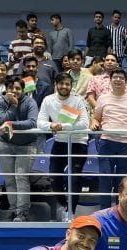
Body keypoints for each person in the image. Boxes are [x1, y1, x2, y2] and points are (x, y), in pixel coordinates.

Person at [37, 72, 90, 220]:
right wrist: (51, 125)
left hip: (78, 142)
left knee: (74, 178)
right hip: (60, 141)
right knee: (54, 177)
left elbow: (84, 124)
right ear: (56, 85)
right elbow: (40, 122)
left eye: (67, 84)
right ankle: (64, 205)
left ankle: (70, 211)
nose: (64, 86)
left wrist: (63, 126)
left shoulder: (78, 101)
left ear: (71, 86)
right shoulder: (48, 100)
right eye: (61, 83)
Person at [90, 68, 127, 210]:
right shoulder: (102, 98)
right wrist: (94, 123)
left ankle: (121, 211)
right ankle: (104, 212)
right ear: (110, 80)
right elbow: (96, 118)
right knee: (105, 178)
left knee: (122, 181)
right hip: (106, 142)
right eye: (115, 77)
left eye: (121, 78)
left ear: (126, 82)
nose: (118, 80)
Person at [0, 77, 39, 222]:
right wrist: (13, 106)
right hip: (5, 144)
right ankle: (13, 210)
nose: (14, 91)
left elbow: (32, 122)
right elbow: (0, 121)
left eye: (18, 88)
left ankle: (22, 212)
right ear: (6, 89)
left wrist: (11, 124)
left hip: (27, 145)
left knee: (21, 178)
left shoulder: (30, 102)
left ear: (23, 90)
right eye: (11, 88)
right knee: (9, 179)